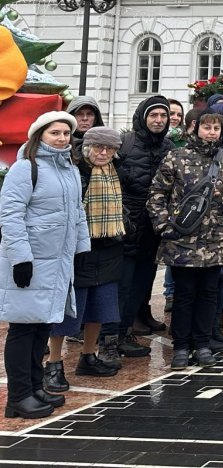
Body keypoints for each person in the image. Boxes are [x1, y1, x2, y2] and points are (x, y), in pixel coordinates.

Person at [0, 112, 90, 419]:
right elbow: (10, 215)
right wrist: (21, 258)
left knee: (42, 327)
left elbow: (78, 212)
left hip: (58, 263)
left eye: (66, 133)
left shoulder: (70, 170)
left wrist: (81, 247)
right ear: (40, 135)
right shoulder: (26, 168)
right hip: (31, 262)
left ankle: (35, 387)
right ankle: (18, 396)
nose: (62, 138)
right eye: (55, 133)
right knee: (23, 329)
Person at [146, 110, 223, 369]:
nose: (211, 132)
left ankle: (202, 344)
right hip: (183, 240)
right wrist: (165, 225)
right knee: (185, 294)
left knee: (209, 293)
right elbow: (157, 193)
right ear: (194, 128)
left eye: (216, 128)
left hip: (216, 240)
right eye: (206, 127)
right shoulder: (177, 157)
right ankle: (181, 346)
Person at [44, 125, 125, 394]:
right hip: (79, 248)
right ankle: (54, 364)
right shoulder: (76, 171)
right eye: (99, 147)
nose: (103, 152)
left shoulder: (117, 172)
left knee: (100, 307)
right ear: (87, 147)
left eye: (109, 148)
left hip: (109, 246)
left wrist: (128, 224)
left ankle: (88, 357)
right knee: (69, 309)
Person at [112, 95, 174, 358]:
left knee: (141, 282)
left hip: (152, 228)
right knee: (122, 285)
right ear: (143, 117)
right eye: (153, 115)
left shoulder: (169, 147)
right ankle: (111, 337)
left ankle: (125, 331)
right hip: (127, 225)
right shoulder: (125, 144)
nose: (158, 121)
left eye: (163, 116)